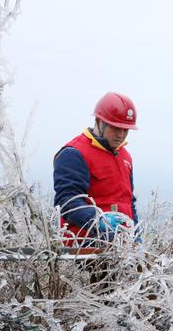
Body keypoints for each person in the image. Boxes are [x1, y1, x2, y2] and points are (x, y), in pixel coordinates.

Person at [53, 92, 139, 245]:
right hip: (85, 250)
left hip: (120, 249)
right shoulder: (74, 153)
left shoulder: (125, 156)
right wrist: (96, 220)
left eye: (125, 129)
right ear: (99, 122)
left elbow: (129, 201)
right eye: (115, 127)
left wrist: (136, 238)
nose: (121, 135)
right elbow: (66, 201)